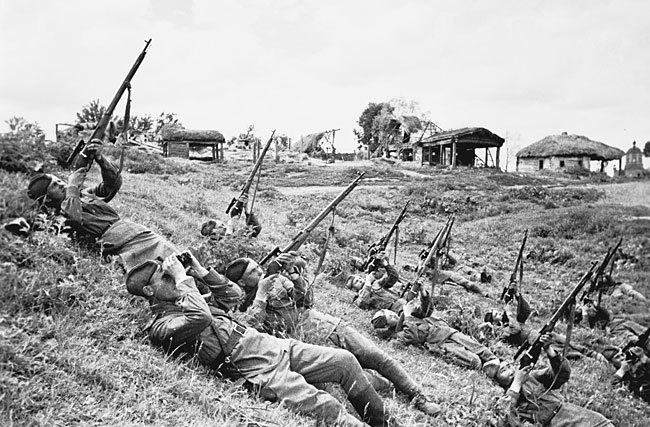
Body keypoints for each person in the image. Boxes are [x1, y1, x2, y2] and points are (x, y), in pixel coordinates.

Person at [126, 252, 393, 427]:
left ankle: (382, 422)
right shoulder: (161, 326)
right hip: (253, 367)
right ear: (149, 290)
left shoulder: (190, 298)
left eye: (170, 275)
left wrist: (199, 271)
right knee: (327, 407)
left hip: (269, 345)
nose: (171, 279)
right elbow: (201, 318)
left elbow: (233, 296)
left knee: (345, 361)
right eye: (164, 278)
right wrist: (182, 278)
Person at [224, 255, 441, 417]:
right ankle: (384, 388)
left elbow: (307, 302)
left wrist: (297, 279)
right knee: (357, 375)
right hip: (309, 345)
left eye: (258, 267)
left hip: (329, 326)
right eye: (253, 272)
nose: (260, 271)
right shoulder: (242, 308)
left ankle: (418, 395)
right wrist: (261, 295)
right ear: (242, 282)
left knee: (377, 357)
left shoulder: (276, 282)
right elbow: (252, 332)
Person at [26, 141, 176, 271]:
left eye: (59, 180)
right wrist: (72, 186)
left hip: (133, 233)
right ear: (47, 198)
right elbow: (74, 219)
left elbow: (112, 185)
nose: (61, 184)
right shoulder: (57, 218)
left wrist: (100, 159)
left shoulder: (83, 195)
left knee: (175, 258)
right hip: (120, 243)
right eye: (54, 185)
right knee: (167, 264)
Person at [494, 334, 614, 426]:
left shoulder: (531, 377)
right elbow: (504, 418)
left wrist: (549, 350)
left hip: (570, 413)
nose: (509, 370)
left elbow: (562, 375)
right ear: (496, 381)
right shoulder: (502, 396)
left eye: (509, 365)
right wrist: (517, 383)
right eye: (502, 370)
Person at [387, 287, 501, 378]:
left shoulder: (411, 315)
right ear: (387, 324)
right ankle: (489, 371)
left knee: (476, 346)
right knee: (474, 361)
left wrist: (423, 293)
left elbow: (426, 311)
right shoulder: (400, 331)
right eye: (390, 316)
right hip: (438, 342)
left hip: (446, 330)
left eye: (392, 313)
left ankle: (494, 361)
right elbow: (412, 337)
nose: (393, 315)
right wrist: (407, 316)